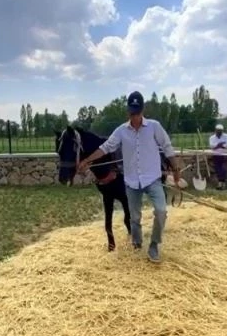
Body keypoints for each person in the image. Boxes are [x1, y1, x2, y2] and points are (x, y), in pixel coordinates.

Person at [78, 91, 182, 263]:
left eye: (137, 112)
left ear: (143, 110)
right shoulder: (121, 131)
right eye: (132, 112)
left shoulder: (155, 127)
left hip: (153, 179)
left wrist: (176, 167)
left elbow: (167, 146)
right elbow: (106, 147)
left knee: (161, 211)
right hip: (132, 182)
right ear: (128, 111)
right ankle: (137, 243)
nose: (134, 116)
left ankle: (154, 245)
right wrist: (87, 160)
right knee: (134, 217)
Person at [208, 124, 227, 190]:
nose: (219, 132)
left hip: (224, 154)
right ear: (215, 130)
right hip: (216, 154)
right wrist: (219, 145)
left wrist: (218, 146)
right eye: (218, 131)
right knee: (218, 169)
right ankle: (220, 182)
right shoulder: (212, 137)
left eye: (220, 131)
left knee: (223, 168)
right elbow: (212, 146)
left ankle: (222, 182)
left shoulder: (226, 136)